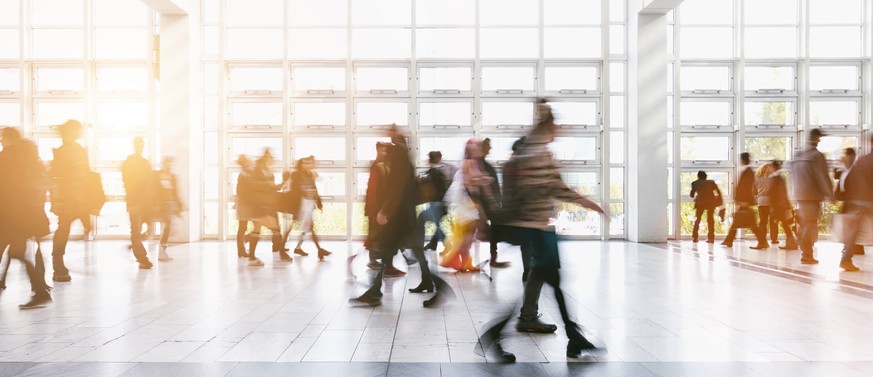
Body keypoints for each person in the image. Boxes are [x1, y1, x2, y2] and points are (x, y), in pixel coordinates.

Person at [504, 100, 606, 358]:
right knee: (552, 280)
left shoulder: (529, 150)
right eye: (556, 125)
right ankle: (566, 336)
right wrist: (590, 204)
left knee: (544, 277)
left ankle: (566, 334)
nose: (559, 129)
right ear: (548, 125)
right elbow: (556, 187)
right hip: (537, 227)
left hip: (535, 226)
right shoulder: (540, 153)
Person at [350, 125, 452, 308]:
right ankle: (425, 282)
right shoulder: (405, 157)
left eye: (390, 134)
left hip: (399, 219)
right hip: (404, 217)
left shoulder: (398, 154)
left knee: (393, 251)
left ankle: (438, 285)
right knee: (403, 252)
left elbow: (397, 188)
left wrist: (385, 210)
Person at [0, 127, 52, 309]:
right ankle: (40, 291)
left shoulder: (6, 158)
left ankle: (40, 291)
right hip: (23, 216)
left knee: (15, 253)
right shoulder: (28, 160)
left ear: (6, 139)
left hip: (8, 216)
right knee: (16, 253)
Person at [49, 120, 92, 282]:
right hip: (68, 199)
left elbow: (84, 173)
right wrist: (58, 200)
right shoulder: (62, 152)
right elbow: (57, 178)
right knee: (63, 229)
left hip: (79, 198)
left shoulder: (79, 150)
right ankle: (58, 264)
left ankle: (58, 263)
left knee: (66, 228)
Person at [440, 139, 491, 272]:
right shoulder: (470, 162)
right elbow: (469, 181)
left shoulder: (470, 162)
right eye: (474, 148)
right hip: (468, 202)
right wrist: (483, 179)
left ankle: (465, 263)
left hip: (466, 202)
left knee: (467, 235)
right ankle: (464, 262)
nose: (477, 150)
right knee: (468, 234)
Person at [790, 129, 834, 264]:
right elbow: (822, 177)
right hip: (812, 196)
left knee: (805, 225)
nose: (820, 140)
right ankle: (807, 255)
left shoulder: (797, 155)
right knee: (809, 225)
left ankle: (806, 253)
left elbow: (792, 175)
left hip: (800, 195)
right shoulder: (816, 155)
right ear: (815, 138)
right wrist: (830, 195)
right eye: (819, 138)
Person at [245, 149, 286, 265]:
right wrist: (267, 185)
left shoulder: (268, 171)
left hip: (267, 205)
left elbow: (271, 188)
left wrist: (281, 185)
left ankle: (252, 257)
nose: (270, 159)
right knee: (276, 229)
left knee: (257, 230)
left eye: (271, 157)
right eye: (268, 157)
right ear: (264, 158)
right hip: (260, 205)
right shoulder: (257, 170)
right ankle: (282, 252)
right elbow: (253, 185)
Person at [121, 137, 155, 269]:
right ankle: (141, 256)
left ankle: (135, 244)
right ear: (134, 146)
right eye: (138, 145)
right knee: (136, 230)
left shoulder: (145, 163)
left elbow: (150, 182)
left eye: (142, 145)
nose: (140, 147)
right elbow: (128, 182)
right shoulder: (129, 163)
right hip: (135, 201)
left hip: (144, 202)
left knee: (148, 229)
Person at [288, 156, 331, 260]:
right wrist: (305, 191)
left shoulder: (311, 174)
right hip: (302, 203)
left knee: (308, 227)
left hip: (309, 203)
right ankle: (319, 250)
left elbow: (314, 189)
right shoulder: (298, 175)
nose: (312, 165)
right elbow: (298, 189)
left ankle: (299, 247)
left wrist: (319, 203)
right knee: (305, 227)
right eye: (309, 163)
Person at [721, 153, 768, 249]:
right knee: (744, 223)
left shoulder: (748, 172)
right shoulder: (747, 171)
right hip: (744, 201)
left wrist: (743, 201)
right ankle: (729, 240)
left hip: (745, 202)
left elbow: (746, 187)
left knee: (750, 224)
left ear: (742, 160)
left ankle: (762, 242)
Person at [839, 138, 873, 271]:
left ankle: (846, 259)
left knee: (854, 231)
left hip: (856, 201)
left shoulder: (862, 160)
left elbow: (850, 179)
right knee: (855, 230)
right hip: (869, 200)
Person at [364, 142, 394, 271]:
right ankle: (373, 260)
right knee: (374, 233)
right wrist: (374, 209)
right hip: (376, 208)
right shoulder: (377, 167)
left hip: (383, 207)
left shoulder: (386, 166)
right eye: (382, 151)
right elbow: (372, 189)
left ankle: (381, 259)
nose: (384, 153)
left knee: (381, 234)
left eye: (386, 151)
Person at [481, 138, 510, 268]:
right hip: (483, 204)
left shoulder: (487, 166)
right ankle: (493, 258)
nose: (490, 149)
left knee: (495, 228)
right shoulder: (482, 166)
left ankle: (493, 257)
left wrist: (499, 202)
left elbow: (495, 187)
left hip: (488, 204)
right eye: (488, 146)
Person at [417, 151, 452, 254]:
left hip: (436, 203)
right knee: (435, 224)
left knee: (423, 220)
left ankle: (447, 244)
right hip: (440, 203)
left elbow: (430, 186)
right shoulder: (440, 171)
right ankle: (433, 244)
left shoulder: (434, 172)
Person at [834, 148, 864, 258]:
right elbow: (840, 187)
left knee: (853, 227)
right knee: (848, 227)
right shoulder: (843, 171)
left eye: (845, 156)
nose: (844, 159)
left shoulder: (857, 170)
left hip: (855, 203)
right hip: (847, 203)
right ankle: (849, 248)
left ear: (851, 157)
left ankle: (853, 249)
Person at [156, 155, 184, 261]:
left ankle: (162, 251)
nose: (169, 165)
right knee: (164, 228)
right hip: (161, 205)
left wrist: (179, 206)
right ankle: (136, 244)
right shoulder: (158, 175)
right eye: (167, 163)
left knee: (167, 228)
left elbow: (175, 193)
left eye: (171, 163)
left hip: (169, 205)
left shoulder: (173, 177)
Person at [768, 161, 797, 250]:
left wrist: (773, 207)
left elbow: (774, 194)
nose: (769, 168)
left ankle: (791, 242)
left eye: (770, 167)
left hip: (779, 206)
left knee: (784, 223)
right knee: (784, 224)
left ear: (773, 167)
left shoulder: (775, 178)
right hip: (781, 205)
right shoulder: (779, 178)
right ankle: (791, 242)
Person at [689, 170, 723, 243]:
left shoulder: (695, 183)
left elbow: (691, 195)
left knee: (698, 219)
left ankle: (695, 237)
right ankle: (711, 238)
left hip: (700, 203)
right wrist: (720, 202)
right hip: (711, 202)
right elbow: (718, 192)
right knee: (710, 220)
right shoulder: (711, 182)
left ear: (698, 176)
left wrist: (696, 193)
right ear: (705, 176)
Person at [235, 155, 254, 258]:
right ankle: (241, 250)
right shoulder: (244, 174)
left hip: (247, 203)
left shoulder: (247, 173)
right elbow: (241, 191)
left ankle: (244, 244)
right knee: (243, 227)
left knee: (244, 227)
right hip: (245, 204)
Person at [755, 162, 776, 246]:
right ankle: (774, 239)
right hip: (771, 202)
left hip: (761, 202)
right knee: (773, 221)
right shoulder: (773, 179)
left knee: (763, 222)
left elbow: (753, 191)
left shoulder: (757, 179)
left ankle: (762, 239)